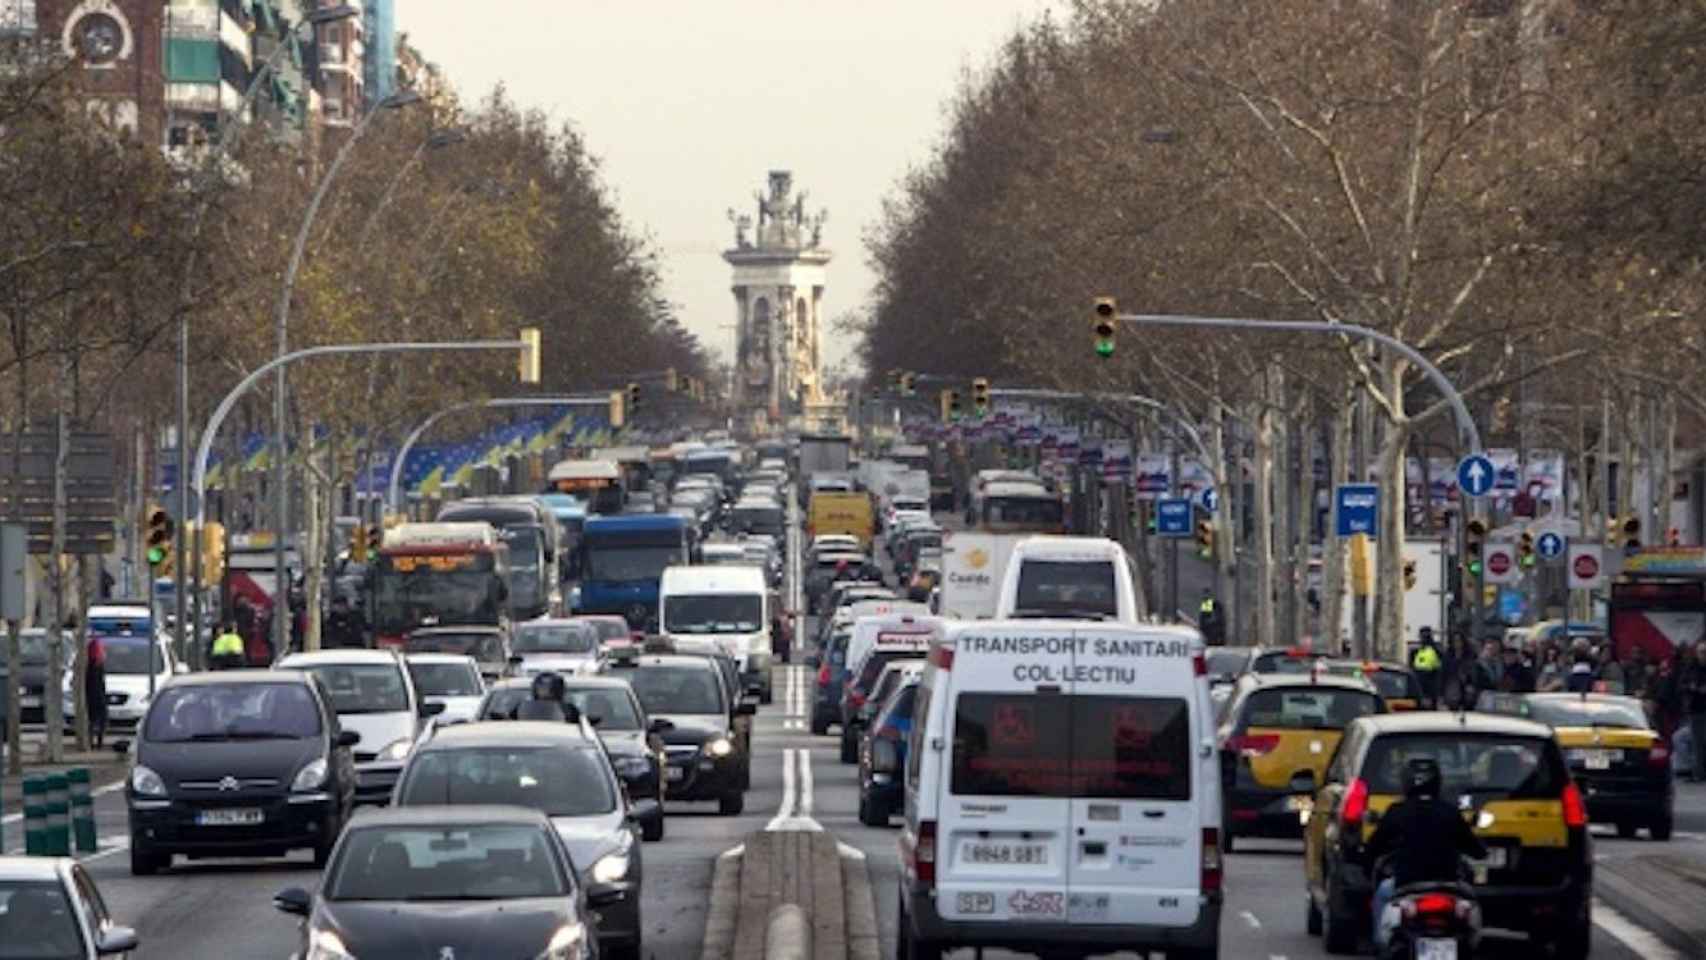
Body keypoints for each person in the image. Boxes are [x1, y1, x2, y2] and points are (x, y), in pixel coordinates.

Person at [1367, 757, 1488, 951]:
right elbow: (1477, 850)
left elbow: (1373, 847)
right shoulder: (1450, 812)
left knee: (1382, 894)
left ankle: (1379, 945)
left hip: (1406, 884)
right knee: (1471, 904)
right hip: (1449, 884)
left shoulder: (1397, 812)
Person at [512, 671, 578, 722]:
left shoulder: (569, 709)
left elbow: (580, 726)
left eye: (549, 689)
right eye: (541, 689)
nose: (544, 692)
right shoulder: (522, 707)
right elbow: (511, 721)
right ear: (535, 689)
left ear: (558, 690)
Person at [1682, 643, 1706, 782]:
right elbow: (1683, 684)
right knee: (1697, 743)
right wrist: (1693, 687)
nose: (1704, 655)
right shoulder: (1692, 668)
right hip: (1696, 709)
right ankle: (1698, 773)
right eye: (1701, 652)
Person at [84, 634, 108, 748]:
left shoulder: (89, 665)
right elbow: (99, 683)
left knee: (93, 720)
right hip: (97, 695)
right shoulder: (97, 666)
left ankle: (93, 741)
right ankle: (98, 741)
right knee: (100, 718)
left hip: (90, 695)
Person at [1410, 627, 1444, 708]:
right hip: (1418, 686)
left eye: (1426, 637)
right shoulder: (1416, 652)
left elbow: (1439, 671)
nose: (1423, 639)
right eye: (1422, 636)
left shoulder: (1437, 651)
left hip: (1430, 687)